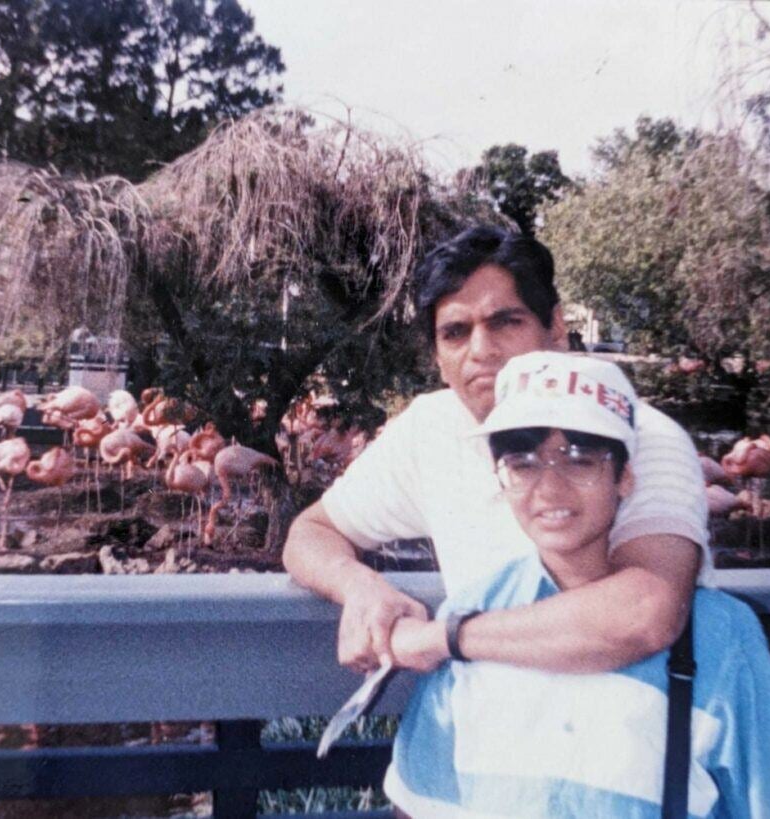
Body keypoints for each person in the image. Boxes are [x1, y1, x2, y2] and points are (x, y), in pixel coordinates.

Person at [384, 351, 770, 818]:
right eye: (523, 463)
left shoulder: (719, 637)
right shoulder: (468, 616)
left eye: (580, 460)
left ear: (624, 478)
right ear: (499, 479)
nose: (549, 488)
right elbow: (420, 804)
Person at [283, 225, 708, 675]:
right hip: (496, 727)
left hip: (631, 724)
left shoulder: (634, 433)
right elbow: (310, 532)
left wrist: (445, 637)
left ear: (556, 327)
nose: (481, 350)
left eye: (506, 322)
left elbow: (645, 613)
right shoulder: (432, 429)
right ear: (438, 358)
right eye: (455, 333)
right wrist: (360, 586)